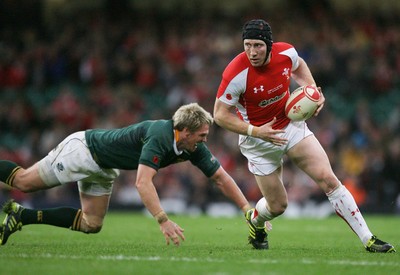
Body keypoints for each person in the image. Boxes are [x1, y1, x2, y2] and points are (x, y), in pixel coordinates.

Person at [213, 19, 395, 253]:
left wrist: (313, 92)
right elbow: (219, 115)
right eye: (247, 45)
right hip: (258, 141)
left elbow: (298, 66)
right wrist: (256, 131)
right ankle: (256, 221)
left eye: (257, 45)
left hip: (291, 127)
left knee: (329, 180)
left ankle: (368, 239)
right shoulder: (236, 72)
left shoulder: (287, 52)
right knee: (278, 206)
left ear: (269, 45)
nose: (252, 51)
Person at [0, 103, 252, 246]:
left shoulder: (192, 146)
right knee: (23, 182)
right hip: (84, 151)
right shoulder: (159, 136)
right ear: (184, 130)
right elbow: (142, 183)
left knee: (92, 224)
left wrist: (246, 209)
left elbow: (221, 177)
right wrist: (163, 219)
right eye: (202, 135)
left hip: (104, 167)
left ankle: (22, 215)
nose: (205, 140)